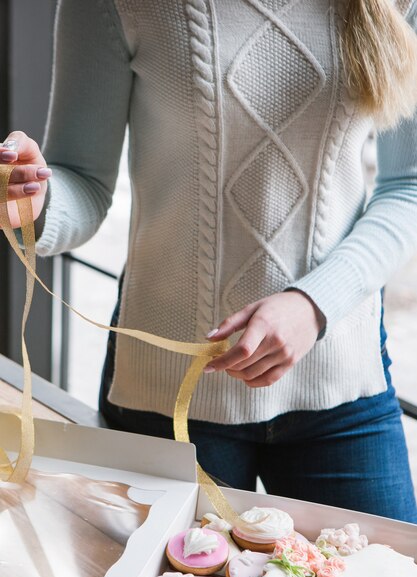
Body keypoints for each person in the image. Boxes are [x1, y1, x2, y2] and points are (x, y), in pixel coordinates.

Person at [2, 0, 417, 521]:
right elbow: (81, 180)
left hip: (341, 387)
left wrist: (314, 303)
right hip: (165, 396)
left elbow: (409, 186)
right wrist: (35, 201)